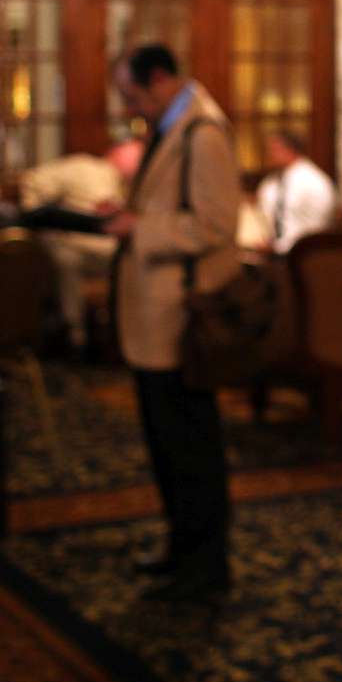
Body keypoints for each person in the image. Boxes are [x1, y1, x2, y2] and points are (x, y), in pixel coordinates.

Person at [105, 44, 241, 601]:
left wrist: (139, 228)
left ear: (160, 80)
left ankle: (207, 564)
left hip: (178, 317)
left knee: (190, 446)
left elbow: (214, 225)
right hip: (152, 315)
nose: (129, 106)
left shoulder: (201, 133)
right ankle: (182, 546)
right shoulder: (169, 127)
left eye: (133, 94)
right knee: (166, 444)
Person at [17, 139, 144, 353]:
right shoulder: (84, 167)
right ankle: (75, 336)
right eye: (134, 157)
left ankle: (121, 335)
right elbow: (33, 182)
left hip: (108, 250)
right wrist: (39, 220)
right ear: (116, 154)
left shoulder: (132, 187)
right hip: (74, 245)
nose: (138, 164)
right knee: (66, 259)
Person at [254, 131, 336, 254]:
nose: (269, 155)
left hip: (303, 254)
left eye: (274, 150)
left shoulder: (315, 182)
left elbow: (316, 227)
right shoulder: (270, 183)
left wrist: (280, 246)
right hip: (271, 253)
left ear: (290, 149)